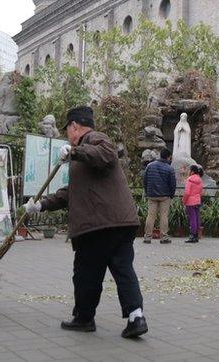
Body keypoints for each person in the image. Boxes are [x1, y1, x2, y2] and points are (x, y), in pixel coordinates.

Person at [23, 106, 147, 339]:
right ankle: (136, 317)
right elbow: (73, 193)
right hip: (119, 222)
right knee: (123, 270)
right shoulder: (82, 153)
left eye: (67, 130)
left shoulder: (94, 139)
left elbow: (106, 153)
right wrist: (40, 205)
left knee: (86, 274)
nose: (67, 135)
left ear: (74, 127)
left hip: (99, 225)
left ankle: (83, 318)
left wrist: (75, 152)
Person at [142, 148, 176, 244]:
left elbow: (145, 180)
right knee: (164, 216)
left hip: (152, 195)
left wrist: (147, 191)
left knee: (150, 216)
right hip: (165, 196)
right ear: (168, 157)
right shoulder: (169, 168)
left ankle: (147, 237)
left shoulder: (149, 166)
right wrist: (171, 195)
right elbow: (172, 184)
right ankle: (164, 237)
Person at [183, 164, 203, 243]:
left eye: (189, 170)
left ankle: (192, 235)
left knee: (192, 219)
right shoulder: (200, 179)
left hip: (190, 201)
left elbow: (187, 192)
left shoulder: (190, 179)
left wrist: (184, 200)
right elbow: (201, 192)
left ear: (192, 171)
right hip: (197, 201)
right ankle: (196, 235)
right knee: (197, 218)